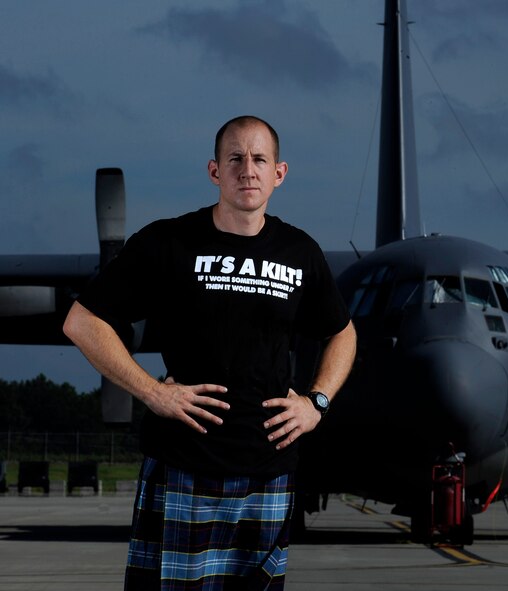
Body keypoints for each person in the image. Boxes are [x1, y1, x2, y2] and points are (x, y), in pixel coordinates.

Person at [63, 115, 356, 589]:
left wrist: (316, 402)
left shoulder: (301, 252)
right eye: (235, 158)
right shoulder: (167, 243)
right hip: (185, 464)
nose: (247, 170)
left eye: (259, 159)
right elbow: (82, 322)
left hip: (269, 472)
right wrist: (152, 392)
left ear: (279, 173)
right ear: (214, 171)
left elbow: (342, 332)